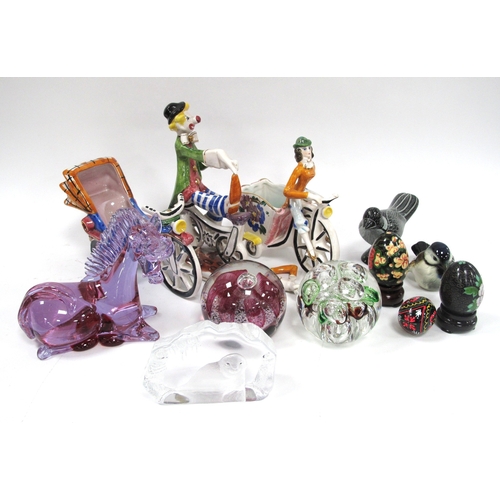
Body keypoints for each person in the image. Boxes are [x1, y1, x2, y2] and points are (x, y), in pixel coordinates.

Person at [164, 102, 240, 221]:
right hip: (187, 189)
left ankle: (215, 218)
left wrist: (222, 163)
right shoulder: (180, 145)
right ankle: (223, 207)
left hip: (197, 185)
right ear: (177, 124)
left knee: (217, 196)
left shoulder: (189, 142)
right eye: (188, 118)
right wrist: (217, 154)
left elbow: (199, 164)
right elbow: (196, 154)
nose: (194, 120)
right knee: (216, 203)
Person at [283, 136, 323, 238]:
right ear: (299, 151)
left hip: (303, 191)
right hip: (295, 196)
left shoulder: (311, 164)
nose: (308, 151)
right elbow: (286, 191)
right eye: (305, 149)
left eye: (309, 148)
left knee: (322, 203)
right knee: (300, 221)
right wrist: (309, 195)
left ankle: (322, 231)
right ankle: (305, 239)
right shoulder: (299, 168)